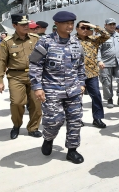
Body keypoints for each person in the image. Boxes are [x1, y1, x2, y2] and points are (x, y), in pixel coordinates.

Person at [29, 10, 86, 164]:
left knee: (75, 120)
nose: (70, 26)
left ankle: (72, 150)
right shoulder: (45, 42)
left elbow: (80, 65)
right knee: (54, 120)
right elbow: (35, 65)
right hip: (51, 89)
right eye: (66, 23)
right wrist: (37, 87)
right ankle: (48, 138)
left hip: (73, 90)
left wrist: (82, 83)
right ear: (57, 24)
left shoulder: (76, 42)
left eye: (71, 23)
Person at [0, 14, 43, 139]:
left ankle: (33, 128)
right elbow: (1, 62)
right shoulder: (7, 42)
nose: (26, 26)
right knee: (16, 102)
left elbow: (45, 57)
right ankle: (16, 125)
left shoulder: (36, 38)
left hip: (35, 75)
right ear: (14, 25)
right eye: (22, 24)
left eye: (27, 24)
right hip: (16, 75)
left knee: (36, 103)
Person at [76, 20, 110, 129]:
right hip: (76, 74)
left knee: (96, 96)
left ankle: (97, 118)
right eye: (83, 28)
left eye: (87, 28)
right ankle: (77, 119)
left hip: (92, 73)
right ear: (77, 29)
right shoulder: (71, 40)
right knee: (76, 97)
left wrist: (94, 26)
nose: (86, 30)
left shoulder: (94, 40)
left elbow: (107, 35)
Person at [98, 18, 119, 108]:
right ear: (105, 25)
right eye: (110, 24)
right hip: (105, 63)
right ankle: (109, 99)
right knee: (106, 82)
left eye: (113, 24)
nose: (112, 26)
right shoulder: (101, 36)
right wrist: (99, 60)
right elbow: (97, 50)